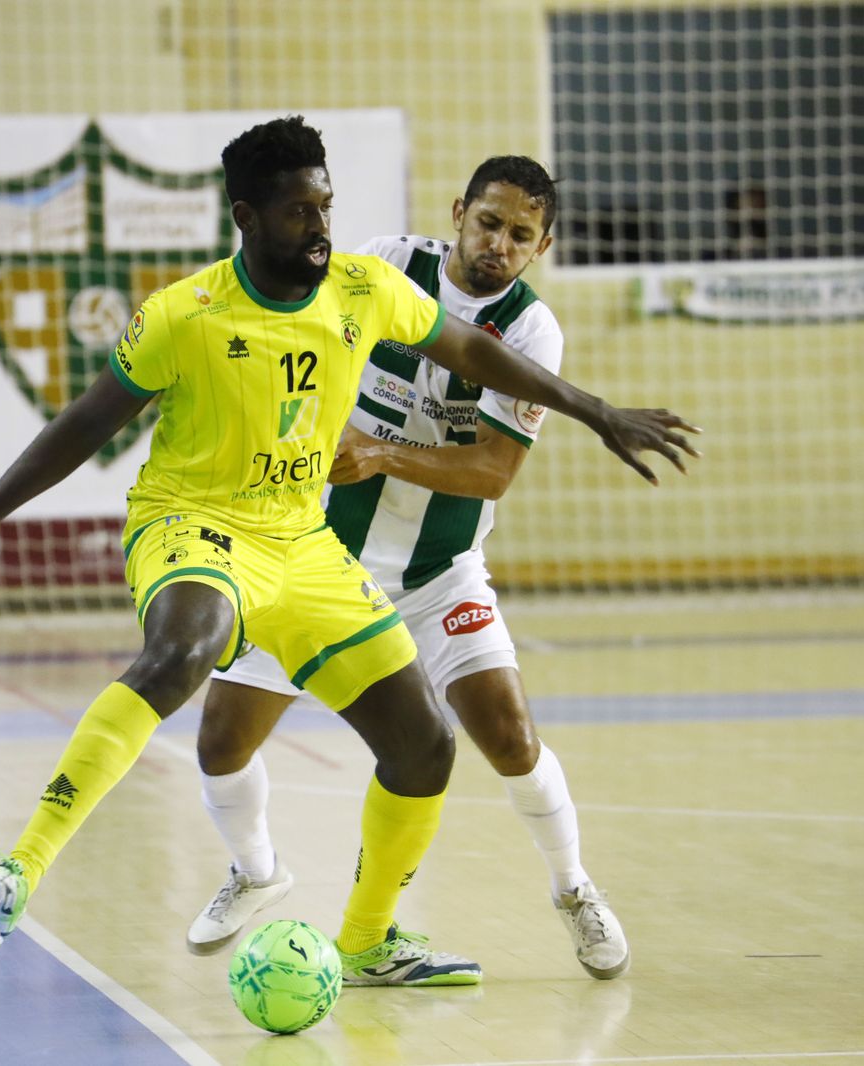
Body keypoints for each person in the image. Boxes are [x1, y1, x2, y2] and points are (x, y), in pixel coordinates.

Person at [0, 117, 700, 988]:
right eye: (301, 211)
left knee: (425, 747)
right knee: (184, 653)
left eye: (326, 206)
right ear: (247, 217)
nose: (320, 227)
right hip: (193, 523)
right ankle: (18, 872)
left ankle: (370, 940)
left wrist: (597, 410)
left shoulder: (362, 287)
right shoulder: (182, 314)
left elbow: (471, 353)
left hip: (307, 545)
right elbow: (80, 425)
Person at [184, 157, 637, 980]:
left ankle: (573, 889)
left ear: (542, 247)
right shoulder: (385, 266)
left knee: (509, 736)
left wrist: (379, 452)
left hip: (438, 572)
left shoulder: (532, 330)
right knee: (219, 741)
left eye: (521, 235)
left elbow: (494, 472)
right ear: (458, 212)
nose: (499, 245)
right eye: (489, 223)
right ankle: (255, 870)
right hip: (315, 562)